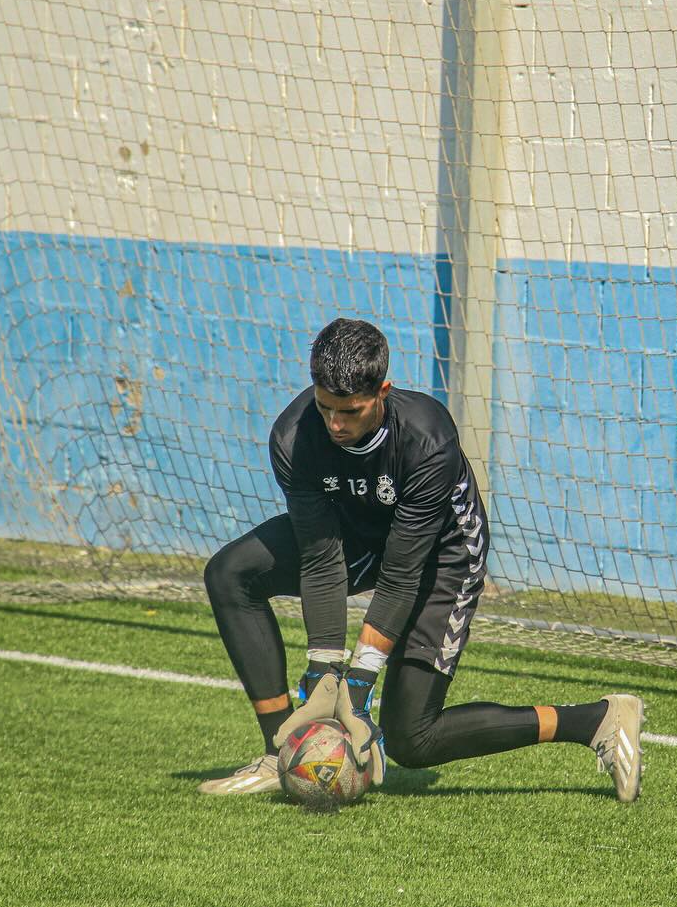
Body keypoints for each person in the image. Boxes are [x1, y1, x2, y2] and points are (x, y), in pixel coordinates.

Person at [199, 317, 643, 801]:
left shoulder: (428, 439)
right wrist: (324, 671)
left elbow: (401, 575)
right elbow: (322, 560)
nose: (335, 425)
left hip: (443, 555)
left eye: (350, 411)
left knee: (413, 737)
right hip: (357, 532)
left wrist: (361, 681)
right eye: (325, 408)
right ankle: (283, 749)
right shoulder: (293, 438)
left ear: (383, 392)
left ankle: (596, 719)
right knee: (230, 574)